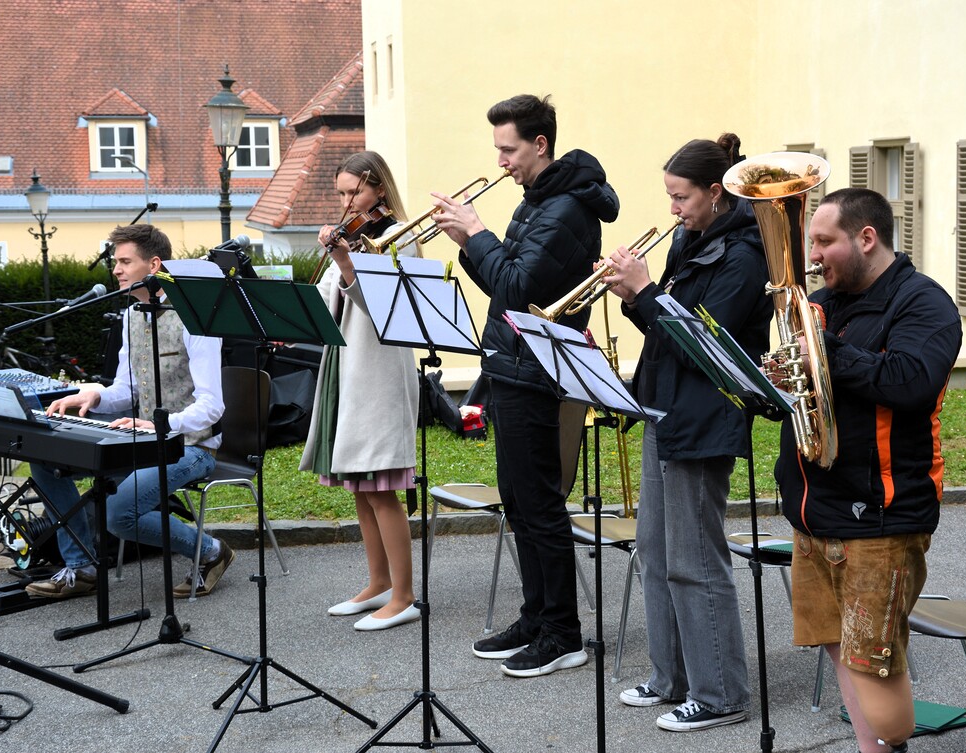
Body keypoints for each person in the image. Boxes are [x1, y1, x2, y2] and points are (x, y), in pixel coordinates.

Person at [431, 94, 619, 677]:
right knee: (517, 499)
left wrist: (477, 232)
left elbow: (515, 287)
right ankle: (536, 616)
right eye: (498, 149)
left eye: (509, 149)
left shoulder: (564, 210)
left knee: (539, 504)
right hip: (511, 363)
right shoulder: (539, 199)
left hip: (536, 370)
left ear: (540, 144)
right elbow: (507, 280)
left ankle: (563, 633)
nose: (501, 161)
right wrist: (470, 244)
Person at [774, 188, 962, 753]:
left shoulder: (923, 303)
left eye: (823, 242)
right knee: (839, 647)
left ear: (866, 238)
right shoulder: (820, 302)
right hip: (815, 509)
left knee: (873, 669)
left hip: (880, 516)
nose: (813, 256)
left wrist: (822, 350)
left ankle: (886, 744)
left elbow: (909, 381)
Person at [602, 133, 770, 731]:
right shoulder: (691, 240)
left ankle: (721, 693)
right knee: (654, 550)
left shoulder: (745, 255)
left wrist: (646, 291)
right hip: (664, 406)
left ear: (715, 192)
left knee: (695, 557)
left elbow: (705, 343)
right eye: (670, 196)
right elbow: (666, 326)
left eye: (681, 197)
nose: (672, 208)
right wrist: (635, 297)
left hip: (705, 415)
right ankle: (671, 676)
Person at [26, 223, 232, 600]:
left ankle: (212, 551)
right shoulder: (133, 314)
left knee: (118, 513)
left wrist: (160, 425)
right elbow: (127, 390)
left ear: (153, 265)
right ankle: (81, 566)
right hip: (143, 439)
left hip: (192, 447)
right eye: (115, 262)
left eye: (124, 261)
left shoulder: (195, 318)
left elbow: (212, 407)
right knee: (45, 458)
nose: (116, 270)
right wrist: (91, 397)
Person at [299, 150, 421, 632]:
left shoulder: (400, 237)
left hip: (380, 373)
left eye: (355, 192)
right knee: (359, 487)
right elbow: (331, 302)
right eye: (342, 194)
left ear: (379, 190)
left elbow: (382, 309)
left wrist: (344, 260)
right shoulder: (351, 236)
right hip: (346, 368)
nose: (347, 202)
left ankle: (405, 596)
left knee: (381, 487)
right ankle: (379, 583)